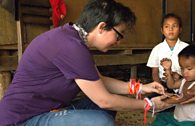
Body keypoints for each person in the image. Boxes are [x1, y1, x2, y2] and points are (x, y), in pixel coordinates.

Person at [0, 0, 168, 126]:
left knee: (110, 105)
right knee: (102, 121)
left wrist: (141, 88)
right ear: (102, 27)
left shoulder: (72, 38)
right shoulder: (71, 47)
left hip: (45, 109)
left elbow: (98, 80)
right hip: (21, 120)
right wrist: (149, 105)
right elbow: (105, 100)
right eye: (119, 35)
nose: (118, 42)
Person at [151, 45, 195, 126]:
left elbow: (184, 98)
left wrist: (163, 102)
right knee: (162, 117)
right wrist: (168, 70)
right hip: (179, 119)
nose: (185, 72)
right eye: (182, 68)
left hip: (194, 122)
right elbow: (171, 85)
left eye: (189, 69)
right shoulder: (184, 80)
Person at [146, 13, 189, 92]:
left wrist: (179, 74)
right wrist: (159, 87)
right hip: (163, 84)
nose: (170, 29)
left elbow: (192, 68)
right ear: (162, 30)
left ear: (180, 29)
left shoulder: (187, 48)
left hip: (183, 83)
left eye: (174, 26)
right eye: (167, 26)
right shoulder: (157, 49)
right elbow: (155, 72)